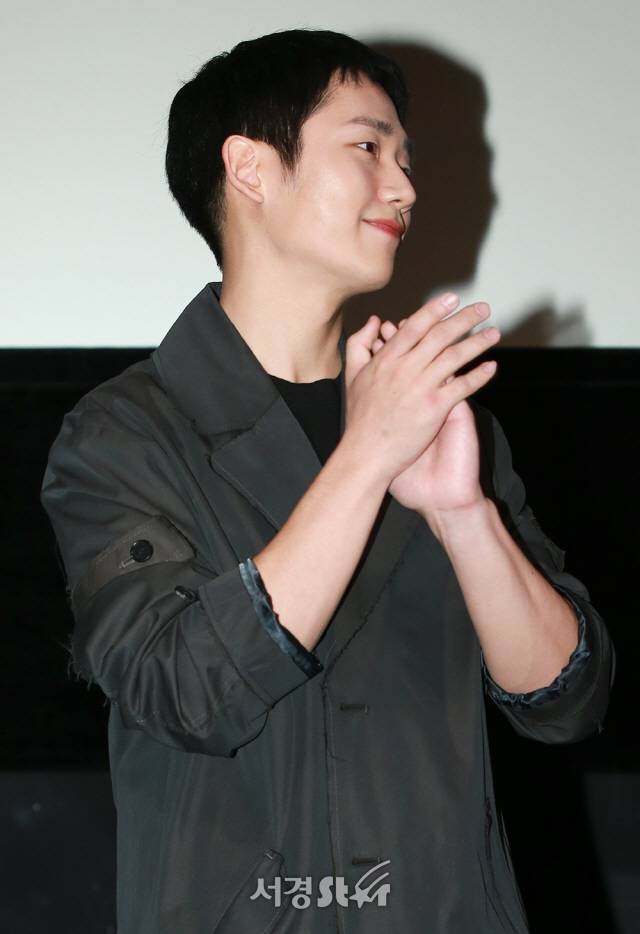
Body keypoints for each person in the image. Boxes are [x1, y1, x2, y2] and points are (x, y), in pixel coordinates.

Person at [41, 28, 615, 934]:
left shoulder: (437, 413)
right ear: (251, 168)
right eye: (368, 147)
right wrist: (367, 452)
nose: (405, 187)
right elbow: (183, 690)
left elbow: (567, 702)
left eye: (405, 158)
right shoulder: (123, 433)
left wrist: (464, 515)